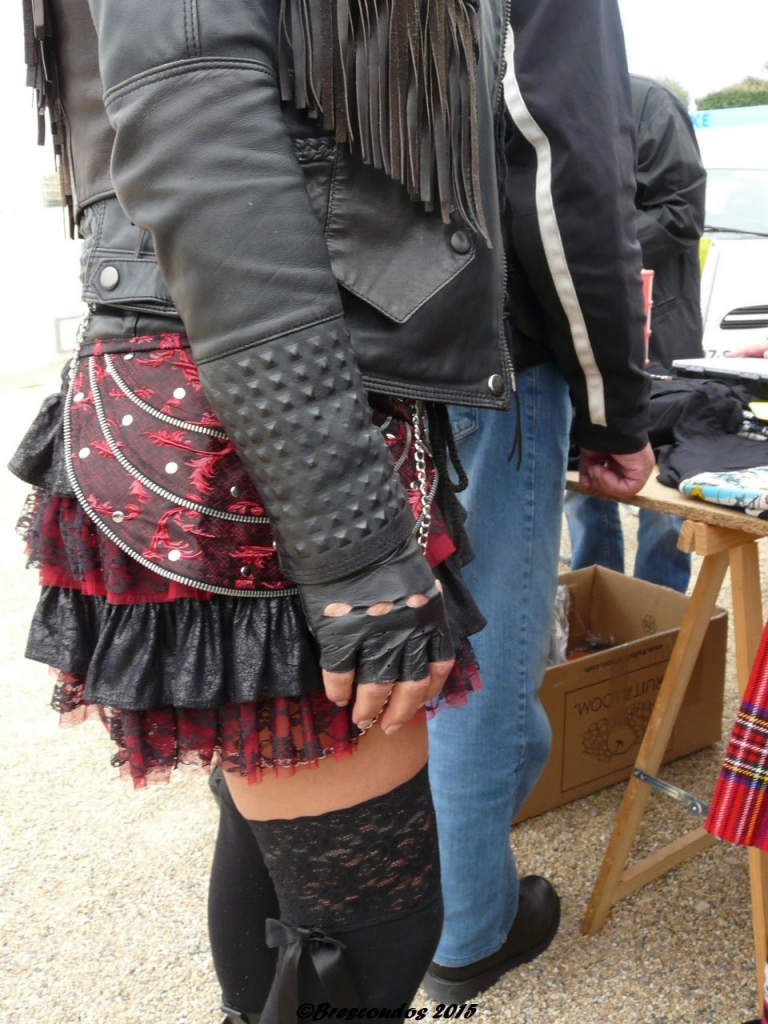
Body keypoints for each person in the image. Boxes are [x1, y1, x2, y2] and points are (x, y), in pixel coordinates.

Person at [12, 0, 513, 1019]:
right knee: (372, 937)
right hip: (259, 427)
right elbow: (205, 155)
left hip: (268, 400)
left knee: (279, 843)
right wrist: (356, 550)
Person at [423, 1, 654, 1002]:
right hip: (481, 357)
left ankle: (384, 906)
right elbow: (569, 182)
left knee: (373, 644)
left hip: (322, 355)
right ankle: (468, 929)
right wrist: (615, 410)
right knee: (478, 669)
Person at [564, 73, 707, 595]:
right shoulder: (553, 99)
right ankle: (596, 601)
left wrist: (587, 253)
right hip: (581, 327)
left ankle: (657, 614)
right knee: (584, 479)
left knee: (664, 489)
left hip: (657, 329)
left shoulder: (649, 102)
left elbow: (680, 214)